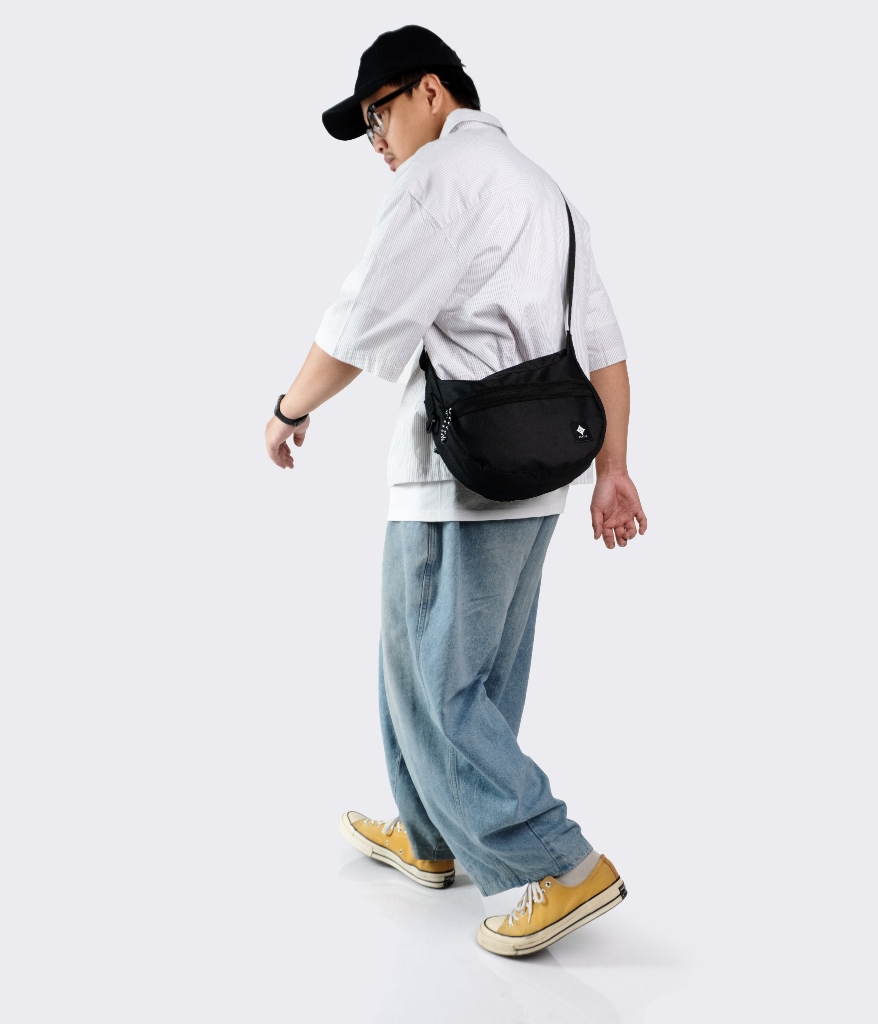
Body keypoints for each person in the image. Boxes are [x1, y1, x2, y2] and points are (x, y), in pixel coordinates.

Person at [264, 25, 646, 957]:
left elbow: (360, 318)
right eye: (366, 127)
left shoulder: (440, 178)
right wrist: (613, 469)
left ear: (431, 91)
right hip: (540, 477)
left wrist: (288, 407)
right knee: (464, 678)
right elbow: (604, 347)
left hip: (456, 481)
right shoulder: (545, 190)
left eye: (379, 114)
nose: (377, 141)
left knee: (436, 690)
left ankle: (558, 864)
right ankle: (432, 835)